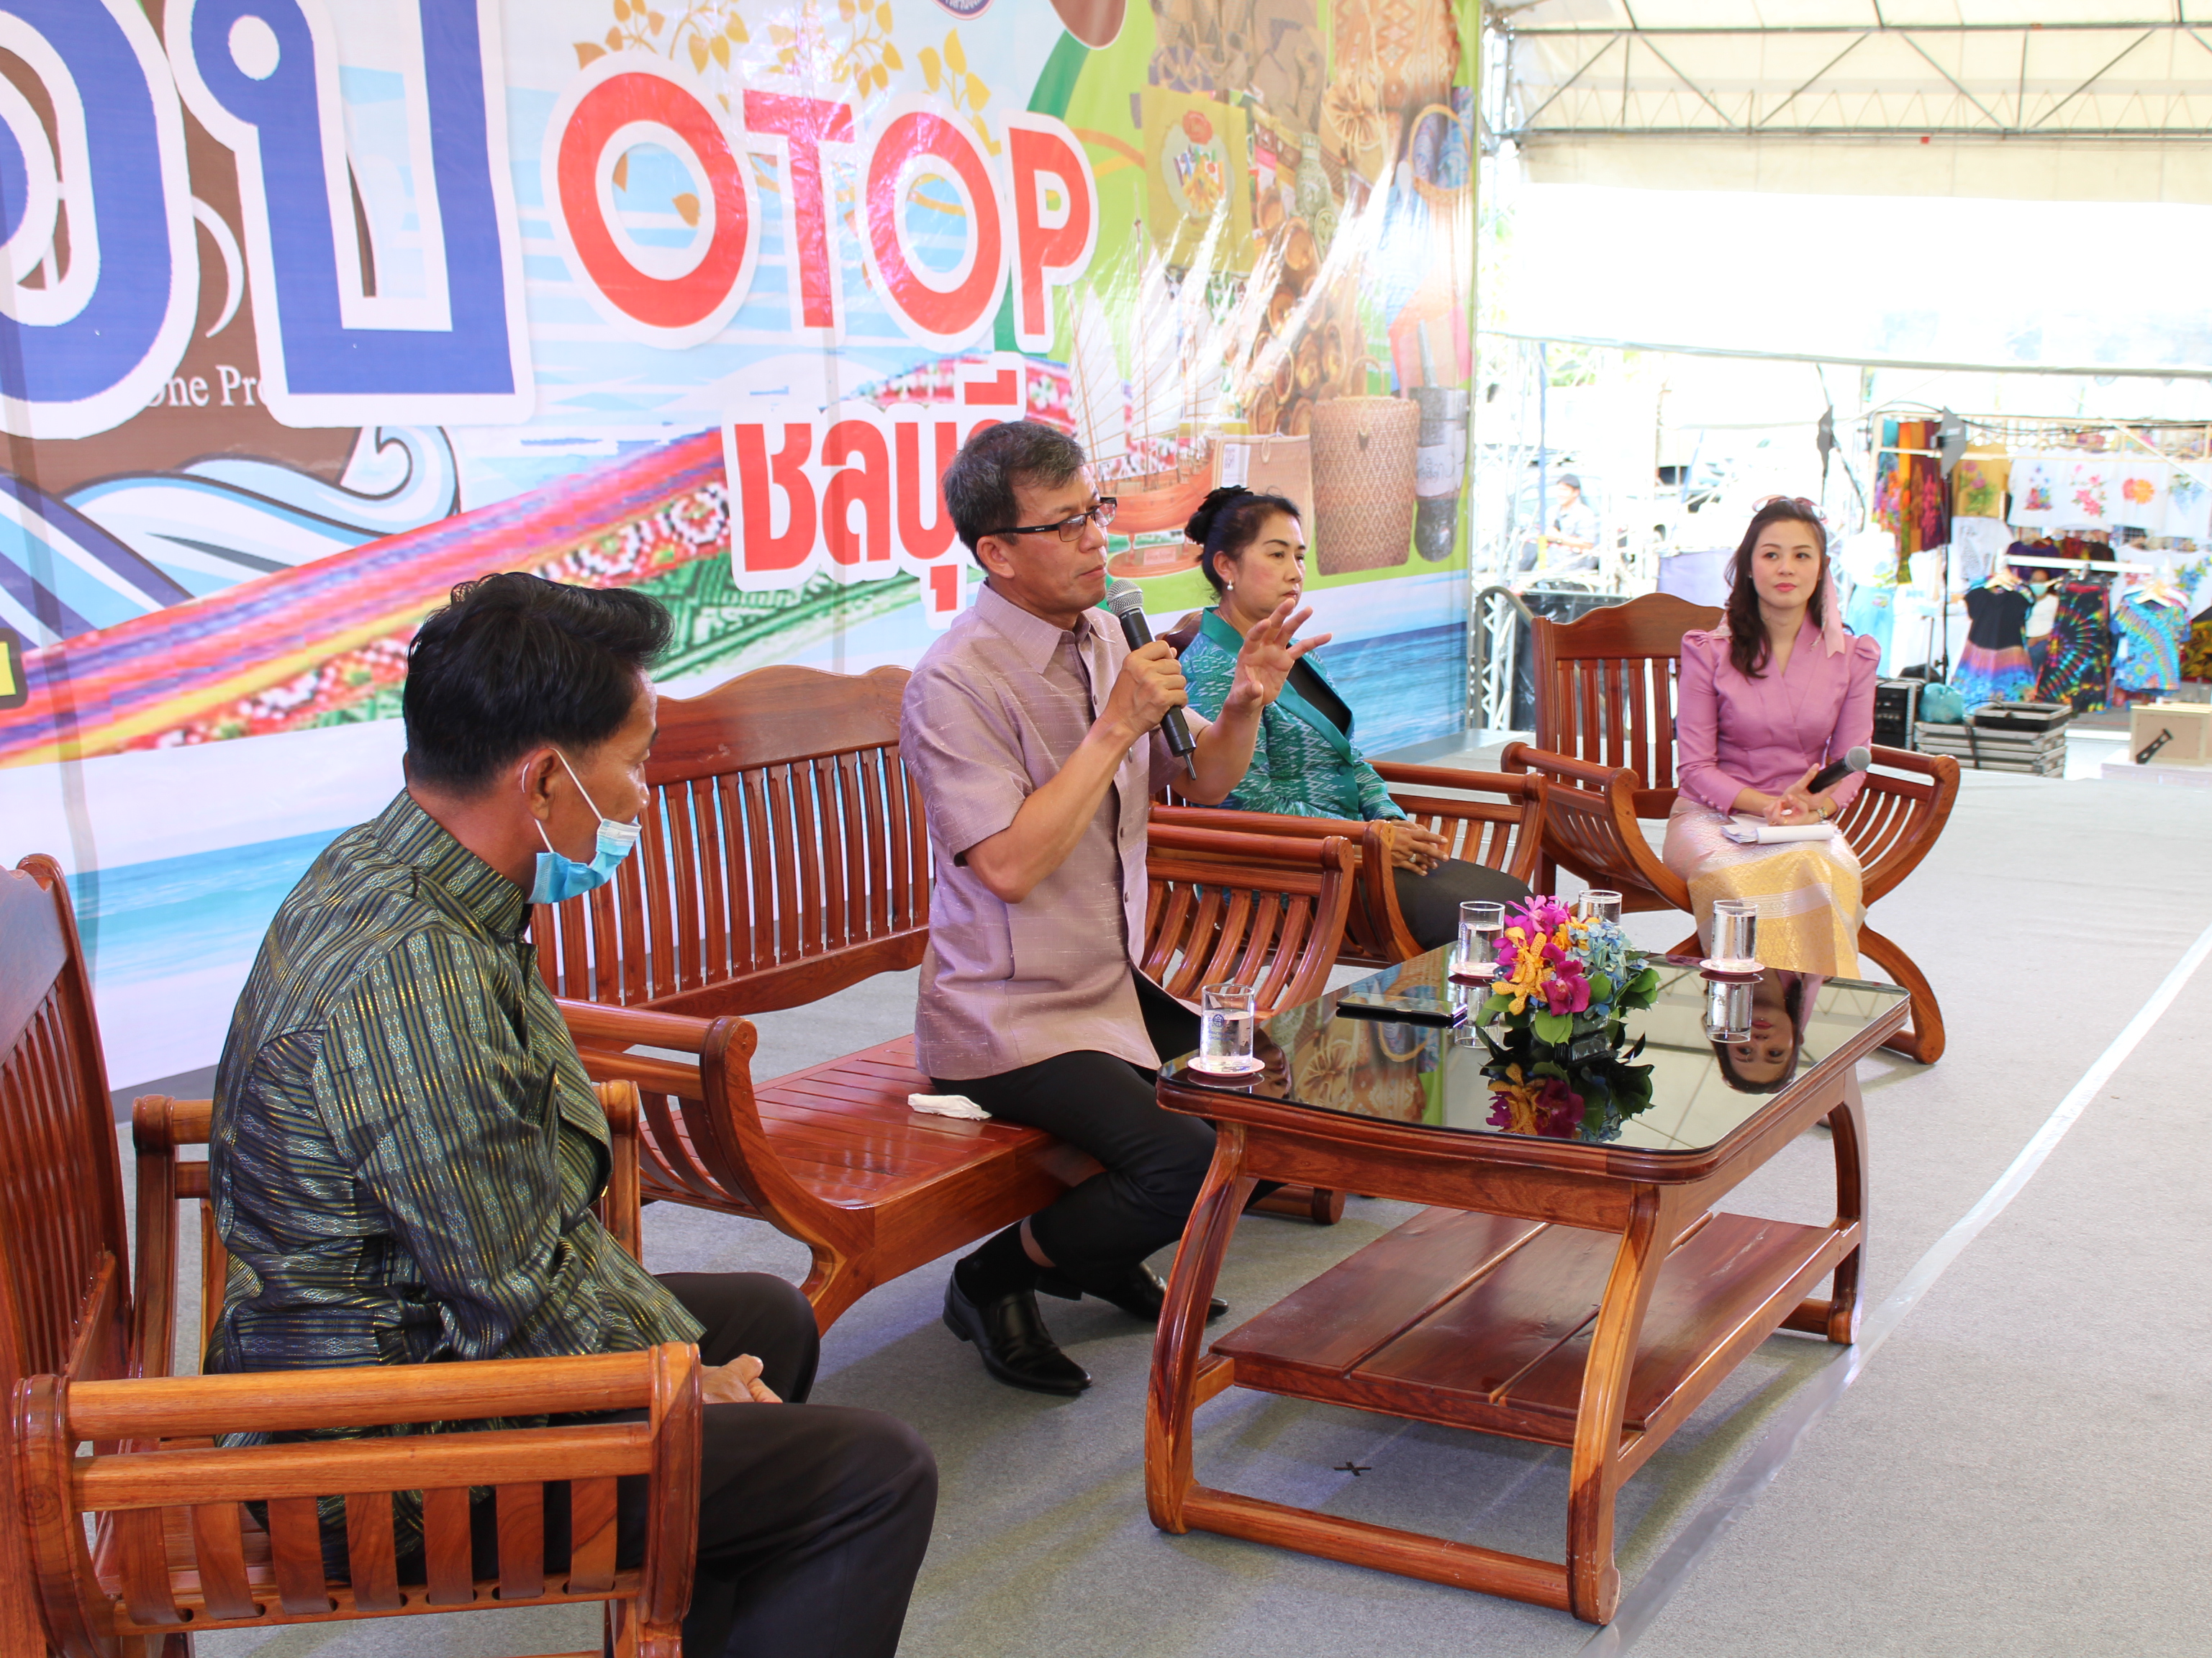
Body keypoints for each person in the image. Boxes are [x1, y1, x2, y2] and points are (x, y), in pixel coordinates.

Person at [208, 574, 935, 1658]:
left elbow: (503, 1227)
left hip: (401, 1338)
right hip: (365, 1454)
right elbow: (513, 1289)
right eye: (635, 763)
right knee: (874, 1476)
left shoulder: (405, 868)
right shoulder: (413, 977)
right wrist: (682, 1383)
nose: (644, 797)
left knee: (767, 1324)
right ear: (544, 777)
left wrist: (689, 1367)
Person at [902, 421, 1320, 1397]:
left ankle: (1087, 1251)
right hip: (1006, 1013)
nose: (1099, 540)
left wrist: (1249, 701)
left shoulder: (1110, 630)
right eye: (1067, 525)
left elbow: (1204, 781)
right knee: (1186, 1160)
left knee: (1275, 1094)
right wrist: (1113, 725)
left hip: (1111, 983)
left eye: (1097, 512)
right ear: (996, 553)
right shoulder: (954, 683)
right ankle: (992, 1277)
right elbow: (1007, 866)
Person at [1175, 484, 1530, 948]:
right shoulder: (1213, 666)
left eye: (1299, 557)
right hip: (1284, 872)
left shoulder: (1286, 650)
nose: (1294, 572)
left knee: (1515, 905)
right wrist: (1367, 839)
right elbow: (1241, 801)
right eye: (1277, 555)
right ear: (1226, 567)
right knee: (1495, 921)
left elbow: (1348, 756)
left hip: (1349, 851)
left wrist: (1390, 820)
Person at [1664, 497, 1880, 978]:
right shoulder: (1709, 651)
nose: (1787, 568)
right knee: (1754, 877)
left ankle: (1816, 1026)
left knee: (1821, 870)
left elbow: (1850, 761)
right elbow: (1696, 769)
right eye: (1771, 554)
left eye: (1802, 555)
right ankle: (1755, 1021)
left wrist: (1817, 809)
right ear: (1747, 566)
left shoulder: (1855, 656)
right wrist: (1767, 807)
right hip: (1709, 818)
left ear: (1822, 568)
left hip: (1806, 824)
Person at [1713, 971, 1823, 1094]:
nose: (1760, 1042)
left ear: (1724, 1036)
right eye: (1775, 1053)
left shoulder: (1697, 955)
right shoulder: (1822, 966)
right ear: (1797, 1037)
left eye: (1745, 1050)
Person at [1531, 473, 1601, 574]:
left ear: (1576, 493)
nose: (1560, 494)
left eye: (1565, 490)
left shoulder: (1584, 514)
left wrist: (1558, 537)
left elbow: (1587, 545)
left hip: (1570, 571)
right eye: (1559, 489)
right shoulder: (1551, 512)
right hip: (1546, 567)